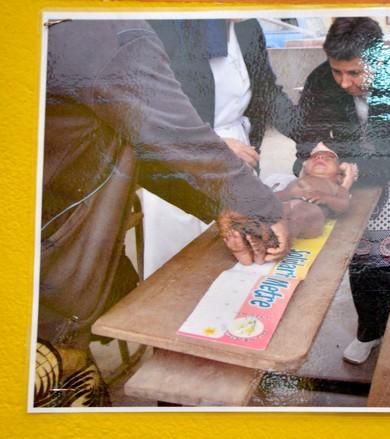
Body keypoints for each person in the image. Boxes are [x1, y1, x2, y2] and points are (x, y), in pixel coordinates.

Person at [37, 19, 289, 406]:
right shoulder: (106, 31)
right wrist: (260, 206)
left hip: (57, 272)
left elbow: (134, 147)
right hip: (46, 281)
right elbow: (175, 135)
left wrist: (219, 206)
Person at [294, 17, 390, 364]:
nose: (345, 83)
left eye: (355, 74)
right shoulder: (321, 78)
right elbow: (305, 130)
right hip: (352, 172)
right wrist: (316, 157)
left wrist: (347, 170)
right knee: (361, 255)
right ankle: (370, 330)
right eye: (338, 72)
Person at [142, 19, 298, 277]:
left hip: (238, 159)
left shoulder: (247, 26)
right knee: (180, 269)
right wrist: (212, 145)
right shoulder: (163, 23)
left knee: (242, 259)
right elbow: (150, 106)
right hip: (179, 159)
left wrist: (313, 139)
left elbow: (267, 92)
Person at [275, 143, 357, 240]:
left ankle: (281, 241)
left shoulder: (335, 187)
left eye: (328, 158)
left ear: (339, 176)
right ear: (305, 168)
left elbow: (344, 204)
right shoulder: (298, 181)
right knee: (271, 210)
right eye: (314, 157)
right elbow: (283, 194)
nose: (320, 157)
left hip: (312, 215)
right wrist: (281, 195)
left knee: (298, 217)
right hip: (290, 204)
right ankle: (263, 236)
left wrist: (326, 198)